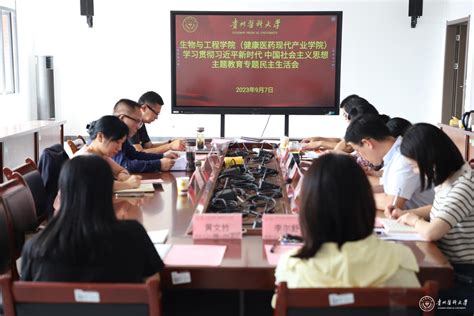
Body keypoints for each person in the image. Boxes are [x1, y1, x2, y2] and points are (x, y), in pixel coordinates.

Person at [273, 154, 419, 306]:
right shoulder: (398, 260)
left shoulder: (292, 266)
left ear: (308, 209)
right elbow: (414, 306)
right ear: (367, 202)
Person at [21, 155, 164, 282]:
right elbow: (154, 284)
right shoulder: (133, 234)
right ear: (108, 189)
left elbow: (26, 300)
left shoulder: (36, 247)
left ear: (64, 190)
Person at [389, 124, 474, 280]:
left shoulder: (464, 185)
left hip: (464, 271)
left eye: (414, 166)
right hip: (447, 260)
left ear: (431, 159)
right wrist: (405, 213)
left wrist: (413, 220)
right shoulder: (449, 178)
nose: (415, 172)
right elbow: (438, 208)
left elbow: (431, 233)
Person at [344, 114, 434, 210]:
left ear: (367, 143)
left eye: (358, 150)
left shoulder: (403, 157)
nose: (359, 155)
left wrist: (354, 196)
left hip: (427, 220)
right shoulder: (393, 154)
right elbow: (387, 186)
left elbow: (392, 204)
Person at [74, 115, 141, 191]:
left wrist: (122, 175)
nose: (119, 148)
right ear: (100, 137)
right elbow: (97, 186)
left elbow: (121, 170)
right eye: (117, 142)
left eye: (121, 143)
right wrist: (127, 184)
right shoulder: (84, 158)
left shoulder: (101, 155)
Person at [112, 98, 176, 172]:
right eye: (137, 121)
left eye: (140, 123)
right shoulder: (110, 133)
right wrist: (158, 164)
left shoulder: (122, 135)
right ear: (122, 118)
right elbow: (124, 165)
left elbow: (135, 155)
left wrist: (162, 156)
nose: (138, 127)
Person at [301, 94, 373, 151]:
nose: (345, 118)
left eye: (346, 115)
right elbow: (342, 141)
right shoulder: (358, 124)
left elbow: (348, 148)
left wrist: (320, 143)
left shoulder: (364, 126)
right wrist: (318, 139)